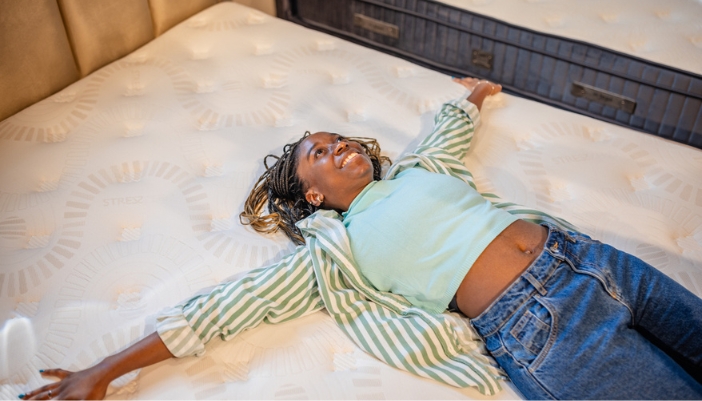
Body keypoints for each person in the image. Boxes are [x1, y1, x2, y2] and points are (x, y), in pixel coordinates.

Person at [20, 78, 702, 400]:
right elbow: (228, 303)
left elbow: (446, 130)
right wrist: (101, 371)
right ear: (312, 193)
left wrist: (470, 95)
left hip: (593, 261)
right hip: (543, 329)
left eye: (340, 137)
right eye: (319, 150)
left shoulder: (418, 169)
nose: (338, 143)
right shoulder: (333, 251)